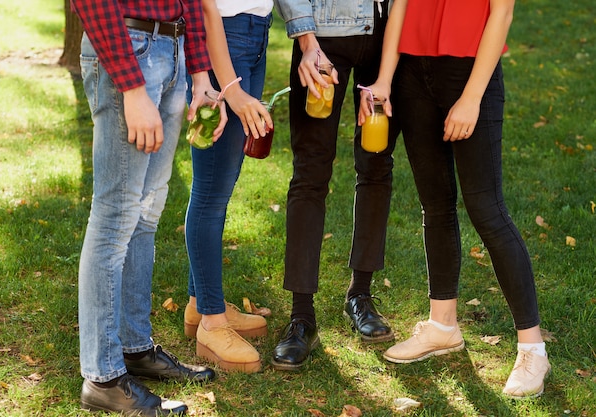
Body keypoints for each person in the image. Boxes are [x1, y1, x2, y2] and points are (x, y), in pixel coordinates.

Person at [359, 0, 551, 399]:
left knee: (488, 211)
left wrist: (471, 97)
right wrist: (385, 79)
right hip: (413, 73)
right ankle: (442, 325)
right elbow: (400, 8)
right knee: (436, 206)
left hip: (469, 73)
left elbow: (502, 13)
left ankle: (533, 349)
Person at [72, 0, 223, 414]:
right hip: (128, 47)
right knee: (115, 216)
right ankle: (102, 376)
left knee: (147, 210)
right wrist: (131, 86)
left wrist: (199, 72)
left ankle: (135, 349)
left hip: (172, 48)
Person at [270, 0, 401, 371]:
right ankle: (301, 316)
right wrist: (306, 40)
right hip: (324, 38)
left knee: (377, 163)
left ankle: (360, 294)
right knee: (310, 173)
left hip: (385, 36)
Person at [182, 0, 274, 373]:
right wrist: (232, 90)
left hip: (256, 32)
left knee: (221, 184)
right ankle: (212, 322)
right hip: (224, 35)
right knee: (211, 192)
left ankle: (198, 302)